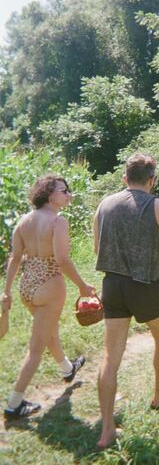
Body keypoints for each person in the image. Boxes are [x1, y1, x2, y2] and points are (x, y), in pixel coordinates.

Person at [93, 153, 159, 448]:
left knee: (110, 357)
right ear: (152, 180)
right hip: (146, 287)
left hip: (112, 286)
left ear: (125, 178)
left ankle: (107, 430)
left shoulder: (105, 204)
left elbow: (97, 248)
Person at [2, 174, 95, 419]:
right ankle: (14, 403)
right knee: (36, 347)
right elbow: (62, 260)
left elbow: (15, 258)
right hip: (50, 284)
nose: (68, 195)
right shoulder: (58, 221)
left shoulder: (24, 221)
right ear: (49, 195)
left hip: (27, 286)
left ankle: (67, 368)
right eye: (63, 191)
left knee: (48, 331)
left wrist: (7, 290)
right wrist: (83, 286)